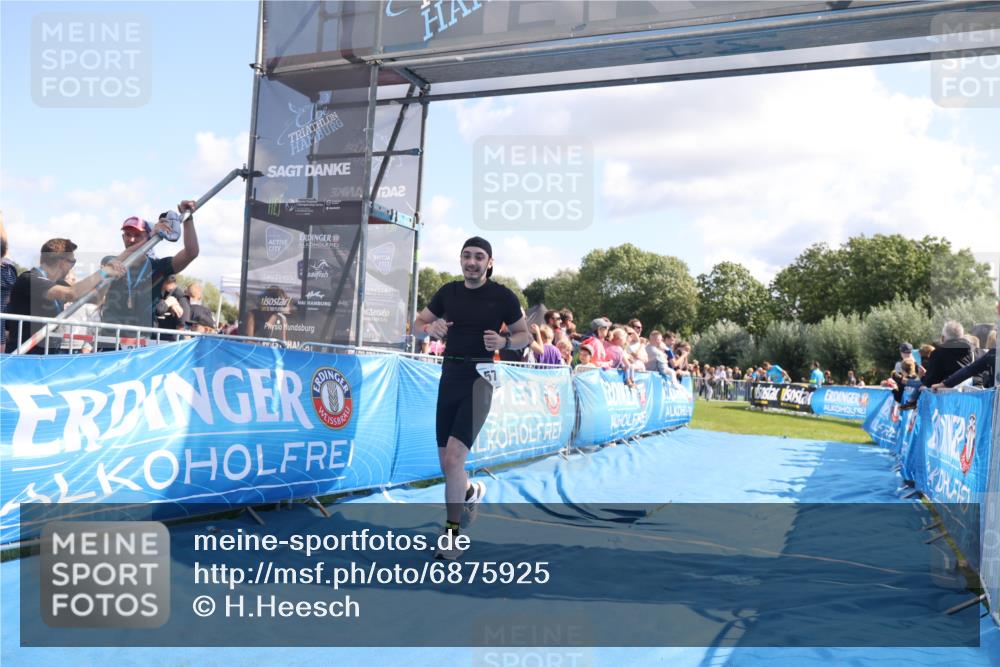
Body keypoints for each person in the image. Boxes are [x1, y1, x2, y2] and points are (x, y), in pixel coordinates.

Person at [412, 237, 529, 560]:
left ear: (489, 262)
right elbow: (417, 325)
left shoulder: (502, 296)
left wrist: (504, 340)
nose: (472, 262)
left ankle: (451, 536)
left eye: (479, 257)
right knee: (447, 466)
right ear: (461, 260)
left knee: (453, 461)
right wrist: (430, 328)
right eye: (467, 256)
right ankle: (469, 491)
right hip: (449, 376)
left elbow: (525, 336)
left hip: (481, 380)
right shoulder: (448, 292)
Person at [4, 238, 125, 353]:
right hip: (24, 357)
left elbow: (95, 298)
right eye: (73, 262)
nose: (73, 266)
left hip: (46, 356)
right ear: (63, 263)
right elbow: (72, 293)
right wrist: (104, 271)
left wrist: (107, 279)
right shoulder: (30, 279)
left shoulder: (58, 283)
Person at [102, 202, 198, 330]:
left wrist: (188, 218)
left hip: (142, 340)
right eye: (128, 234)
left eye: (137, 235)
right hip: (110, 338)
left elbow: (191, 253)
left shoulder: (158, 267)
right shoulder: (111, 260)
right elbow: (106, 271)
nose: (131, 239)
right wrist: (148, 237)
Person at [154, 274, 190, 340]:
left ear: (164, 283)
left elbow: (182, 325)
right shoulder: (164, 295)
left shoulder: (180, 298)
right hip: (160, 339)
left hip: (169, 342)